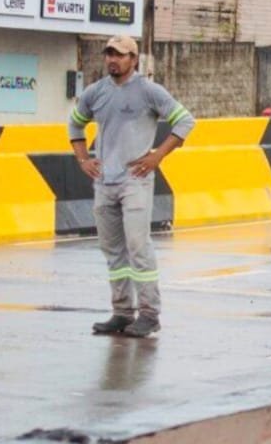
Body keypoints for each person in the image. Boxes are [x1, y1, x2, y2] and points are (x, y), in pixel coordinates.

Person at [69, 35, 196, 338]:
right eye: (109, 54)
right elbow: (75, 124)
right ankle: (122, 312)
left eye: (120, 55)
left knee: (139, 246)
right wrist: (83, 159)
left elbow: (184, 121)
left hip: (135, 181)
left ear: (134, 59)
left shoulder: (148, 91)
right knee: (113, 251)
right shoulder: (95, 92)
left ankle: (150, 314)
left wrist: (157, 155)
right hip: (105, 182)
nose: (113, 60)